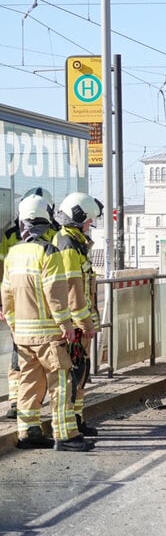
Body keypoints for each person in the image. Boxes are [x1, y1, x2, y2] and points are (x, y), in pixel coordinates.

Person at [1, 195, 93, 451]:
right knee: (61, 382)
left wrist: (14, 327)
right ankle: (65, 435)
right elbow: (56, 296)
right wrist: (66, 327)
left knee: (30, 381)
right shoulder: (49, 252)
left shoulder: (13, 254)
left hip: (23, 336)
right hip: (49, 336)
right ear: (46, 221)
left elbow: (6, 296)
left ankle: (28, 431)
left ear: (23, 223)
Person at [1, 187, 58, 420]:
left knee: (22, 356)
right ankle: (21, 403)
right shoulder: (53, 234)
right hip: (41, 309)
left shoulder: (12, 235)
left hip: (20, 305)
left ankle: (23, 406)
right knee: (47, 363)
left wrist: (5, 305)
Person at [53, 192, 103, 437]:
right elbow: (73, 291)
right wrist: (85, 324)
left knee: (81, 373)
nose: (90, 224)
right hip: (75, 326)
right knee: (74, 374)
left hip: (78, 324)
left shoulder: (74, 242)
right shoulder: (69, 246)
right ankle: (72, 423)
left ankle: (78, 419)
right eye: (89, 220)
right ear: (78, 217)